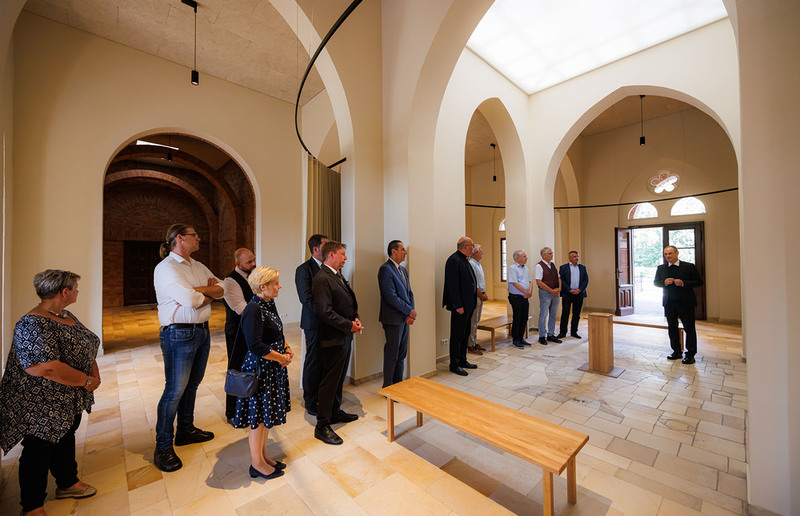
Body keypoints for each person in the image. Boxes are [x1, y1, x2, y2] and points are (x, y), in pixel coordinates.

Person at [0, 269, 101, 516]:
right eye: (75, 288)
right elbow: (45, 367)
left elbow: (86, 344)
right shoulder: (32, 323)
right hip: (39, 401)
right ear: (64, 292)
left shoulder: (65, 315)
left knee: (66, 437)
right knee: (38, 450)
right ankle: (33, 506)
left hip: (66, 396)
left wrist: (91, 375)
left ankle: (67, 482)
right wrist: (86, 380)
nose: (78, 291)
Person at [152, 224, 224, 472]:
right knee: (174, 391)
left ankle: (185, 430)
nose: (199, 238)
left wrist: (201, 291)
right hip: (178, 333)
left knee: (192, 385)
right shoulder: (166, 268)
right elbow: (190, 301)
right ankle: (163, 446)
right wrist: (205, 292)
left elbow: (222, 287)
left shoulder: (197, 265)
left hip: (202, 331)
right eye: (195, 235)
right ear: (180, 238)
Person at [233, 266, 292, 480]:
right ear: (262, 287)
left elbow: (277, 332)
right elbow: (255, 346)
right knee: (257, 419)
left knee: (266, 416)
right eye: (275, 283)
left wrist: (286, 348)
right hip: (261, 369)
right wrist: (281, 358)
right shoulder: (253, 309)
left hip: (271, 366)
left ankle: (264, 456)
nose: (279, 286)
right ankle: (256, 463)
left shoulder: (268, 303)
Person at [311, 241, 361, 445]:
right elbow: (325, 312)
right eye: (342, 254)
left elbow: (347, 301)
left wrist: (355, 319)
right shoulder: (322, 278)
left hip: (343, 334)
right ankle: (322, 425)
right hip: (332, 337)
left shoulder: (335, 275)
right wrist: (348, 325)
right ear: (331, 255)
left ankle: (335, 412)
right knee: (329, 381)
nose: (345, 258)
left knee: (339, 377)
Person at [294, 234, 328, 416]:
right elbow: (306, 299)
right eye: (326, 246)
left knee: (325, 362)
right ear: (316, 249)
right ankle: (310, 400)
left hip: (329, 323)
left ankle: (323, 396)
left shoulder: (328, 268)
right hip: (314, 323)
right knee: (314, 362)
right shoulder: (304, 270)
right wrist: (327, 315)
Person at [222, 247, 256, 424]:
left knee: (251, 369)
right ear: (238, 264)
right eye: (249, 262)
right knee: (236, 370)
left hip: (251, 331)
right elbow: (243, 309)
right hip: (237, 332)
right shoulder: (230, 281)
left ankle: (248, 407)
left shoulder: (252, 277)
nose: (253, 264)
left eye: (253, 260)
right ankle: (233, 412)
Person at [654, 245, 703, 364]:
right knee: (672, 328)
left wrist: (683, 283)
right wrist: (664, 282)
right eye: (666, 254)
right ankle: (676, 351)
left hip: (686, 303)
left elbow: (699, 282)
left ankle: (690, 354)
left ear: (677, 253)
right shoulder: (661, 268)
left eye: (670, 253)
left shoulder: (689, 267)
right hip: (669, 303)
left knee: (689, 328)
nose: (668, 256)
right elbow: (656, 283)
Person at [378, 240, 416, 387]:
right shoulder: (385, 270)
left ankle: (398, 384)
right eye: (402, 249)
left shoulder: (403, 270)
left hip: (404, 318)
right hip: (393, 319)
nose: (405, 252)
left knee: (401, 354)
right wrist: (409, 310)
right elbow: (391, 297)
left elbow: (409, 293)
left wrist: (410, 313)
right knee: (392, 354)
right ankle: (388, 386)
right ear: (393, 251)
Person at [442, 236, 478, 376]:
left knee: (465, 334)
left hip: (468, 305)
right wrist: (458, 305)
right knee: (457, 336)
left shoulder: (465, 259)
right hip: (460, 307)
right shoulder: (454, 260)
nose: (473, 247)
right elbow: (452, 285)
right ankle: (454, 364)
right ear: (464, 247)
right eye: (471, 245)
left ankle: (463, 360)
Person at [557, 251, 589, 339]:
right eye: (574, 256)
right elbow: (561, 281)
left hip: (579, 294)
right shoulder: (563, 268)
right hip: (567, 294)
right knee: (565, 313)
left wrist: (579, 290)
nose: (577, 258)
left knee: (577, 314)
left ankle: (574, 332)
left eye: (577, 256)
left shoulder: (582, 267)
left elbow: (586, 280)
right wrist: (569, 290)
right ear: (570, 258)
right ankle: (562, 332)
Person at [535, 247, 562, 345]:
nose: (552, 255)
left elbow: (559, 278)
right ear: (544, 255)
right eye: (550, 253)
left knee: (553, 314)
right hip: (545, 293)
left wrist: (559, 288)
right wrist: (551, 290)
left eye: (552, 253)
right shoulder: (539, 266)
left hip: (555, 293)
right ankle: (542, 336)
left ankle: (551, 334)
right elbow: (539, 282)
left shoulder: (552, 265)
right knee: (543, 315)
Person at [507, 249, 533, 348]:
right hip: (516, 297)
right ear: (518, 258)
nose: (526, 258)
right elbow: (515, 283)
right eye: (524, 256)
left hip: (525, 296)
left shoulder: (526, 268)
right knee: (517, 318)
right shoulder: (512, 268)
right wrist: (526, 292)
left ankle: (521, 337)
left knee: (524, 317)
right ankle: (515, 339)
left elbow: (530, 281)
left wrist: (529, 292)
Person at [468, 244, 488, 355]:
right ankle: (470, 345)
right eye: (481, 251)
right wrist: (481, 294)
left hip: (480, 294)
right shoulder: (472, 264)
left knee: (476, 320)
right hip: (476, 295)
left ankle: (474, 342)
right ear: (475, 252)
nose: (482, 252)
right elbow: (474, 284)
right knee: (473, 321)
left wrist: (484, 293)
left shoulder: (478, 264)